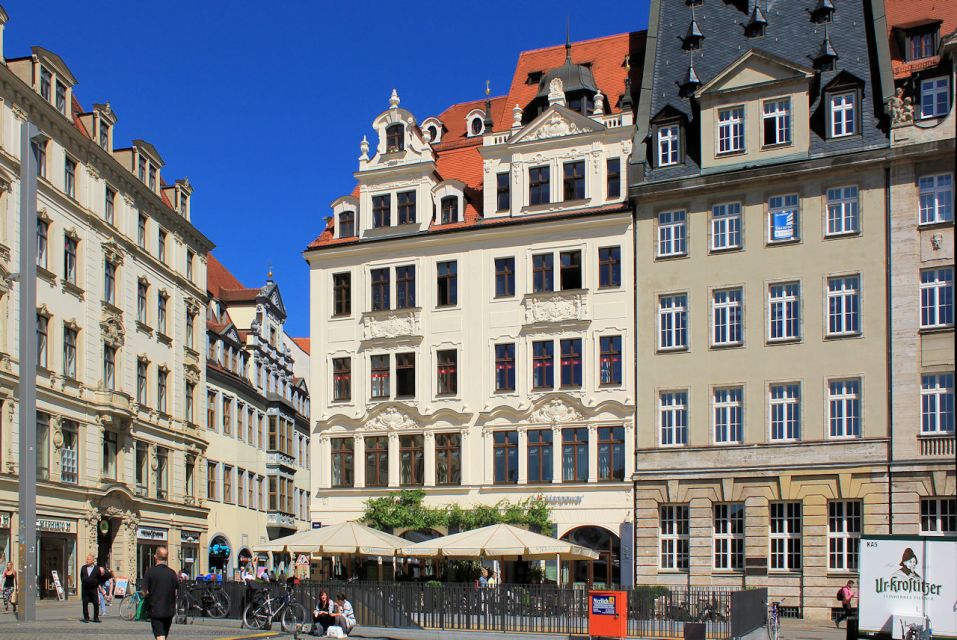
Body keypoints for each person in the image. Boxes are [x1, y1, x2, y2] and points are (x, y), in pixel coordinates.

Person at [142, 546, 179, 640]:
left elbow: (145, 591)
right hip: (169, 610)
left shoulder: (150, 572)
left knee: (160, 636)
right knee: (163, 634)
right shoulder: (172, 573)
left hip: (156, 609)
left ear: (155, 557)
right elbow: (176, 589)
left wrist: (146, 598)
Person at [79, 554, 103, 623]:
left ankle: (96, 618)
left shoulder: (96, 568)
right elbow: (81, 576)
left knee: (96, 603)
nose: (87, 560)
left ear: (93, 560)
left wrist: (95, 584)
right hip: (85, 589)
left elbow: (99, 578)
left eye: (89, 559)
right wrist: (84, 582)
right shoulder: (83, 567)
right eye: (87, 559)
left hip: (93, 589)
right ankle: (86, 618)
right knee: (85, 603)